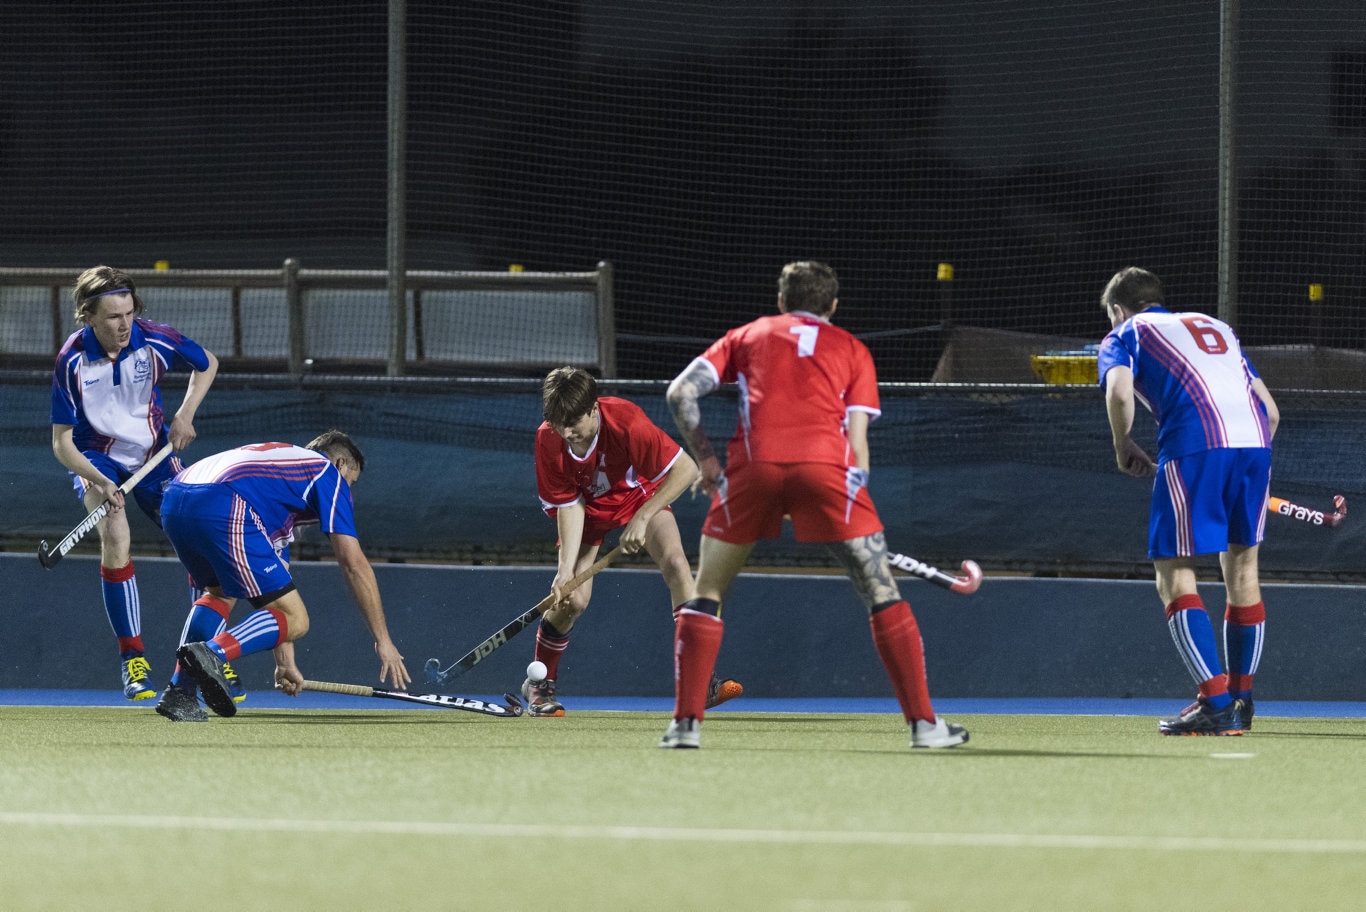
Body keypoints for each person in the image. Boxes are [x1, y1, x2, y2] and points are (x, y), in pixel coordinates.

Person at [662, 261, 968, 750]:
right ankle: (925, 728)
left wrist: (708, 462)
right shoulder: (853, 349)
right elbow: (857, 445)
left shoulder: (745, 335)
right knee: (880, 591)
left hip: (751, 470)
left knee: (706, 591)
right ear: (833, 306)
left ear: (782, 301)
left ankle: (684, 727)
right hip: (829, 472)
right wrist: (839, 499)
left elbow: (681, 393)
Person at [1098, 266, 1278, 736]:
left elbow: (1119, 391)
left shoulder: (1126, 332)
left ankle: (1216, 705)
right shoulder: (1218, 328)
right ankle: (1241, 701)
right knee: (1243, 568)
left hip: (1195, 443)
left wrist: (1124, 446)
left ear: (1118, 309)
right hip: (1256, 442)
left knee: (1172, 570)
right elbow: (1271, 411)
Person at [528, 366, 743, 716]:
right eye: (558, 423)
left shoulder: (626, 422)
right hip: (589, 511)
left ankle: (700, 681)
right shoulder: (549, 437)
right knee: (573, 601)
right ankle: (539, 684)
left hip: (639, 497)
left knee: (676, 564)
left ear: (594, 409)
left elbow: (686, 469)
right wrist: (564, 570)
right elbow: (570, 504)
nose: (567, 432)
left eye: (574, 423)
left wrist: (642, 517)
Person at [50, 265, 221, 702]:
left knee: (197, 537)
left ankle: (203, 657)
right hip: (94, 458)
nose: (124, 324)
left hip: (153, 456)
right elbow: (61, 444)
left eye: (128, 313)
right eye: (112, 317)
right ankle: (133, 660)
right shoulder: (72, 360)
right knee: (115, 530)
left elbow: (207, 363)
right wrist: (97, 482)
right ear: (87, 315)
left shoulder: (156, 338)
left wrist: (185, 414)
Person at [155, 431, 411, 721]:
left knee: (218, 592)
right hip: (223, 501)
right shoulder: (326, 472)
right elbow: (354, 564)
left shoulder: (278, 481)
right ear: (341, 464)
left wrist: (285, 663)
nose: (347, 492)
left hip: (176, 500)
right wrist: (383, 640)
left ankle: (180, 693)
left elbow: (275, 596)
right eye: (351, 482)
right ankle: (212, 653)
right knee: (298, 620)